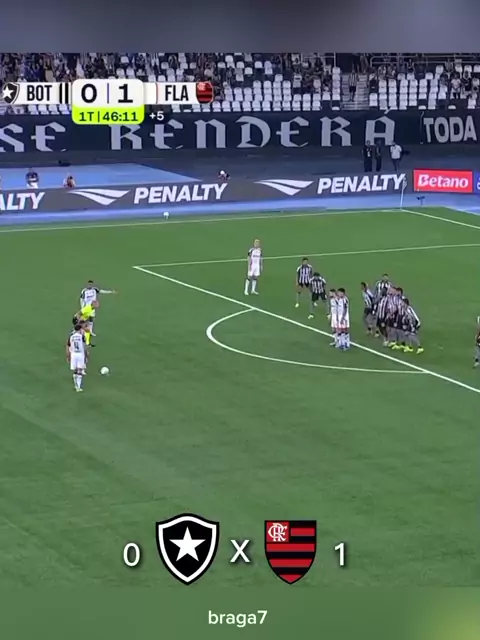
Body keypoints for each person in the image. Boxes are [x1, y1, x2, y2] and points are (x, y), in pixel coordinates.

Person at [67, 324, 87, 392]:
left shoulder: (71, 336)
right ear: (80, 329)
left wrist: (68, 355)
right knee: (80, 370)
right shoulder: (82, 336)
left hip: (73, 354)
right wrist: (86, 354)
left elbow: (68, 346)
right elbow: (84, 346)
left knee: (75, 370)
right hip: (80, 354)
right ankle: (78, 386)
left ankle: (76, 385)